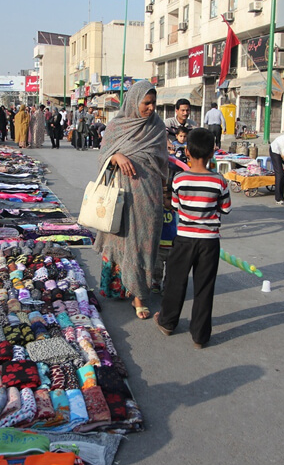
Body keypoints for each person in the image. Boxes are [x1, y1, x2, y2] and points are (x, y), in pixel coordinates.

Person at [94, 80, 167, 320]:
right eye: (146, 103)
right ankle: (129, 292)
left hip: (149, 194)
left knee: (144, 242)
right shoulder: (117, 125)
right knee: (125, 239)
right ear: (134, 101)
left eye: (153, 103)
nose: (151, 108)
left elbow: (162, 159)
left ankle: (141, 293)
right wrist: (116, 156)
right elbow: (103, 155)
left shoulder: (156, 126)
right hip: (122, 195)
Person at [153, 128, 231, 349]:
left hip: (184, 238)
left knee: (176, 281)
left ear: (186, 151)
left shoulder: (179, 178)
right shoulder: (219, 181)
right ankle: (200, 336)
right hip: (209, 241)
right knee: (204, 287)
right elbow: (225, 209)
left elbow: (176, 206)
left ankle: (167, 322)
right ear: (212, 153)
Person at [152, 186, 177, 294]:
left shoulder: (176, 211)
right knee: (157, 268)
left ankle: (167, 286)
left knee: (171, 269)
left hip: (173, 246)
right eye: (168, 198)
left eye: (173, 199)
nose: (171, 201)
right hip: (159, 246)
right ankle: (156, 283)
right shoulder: (159, 210)